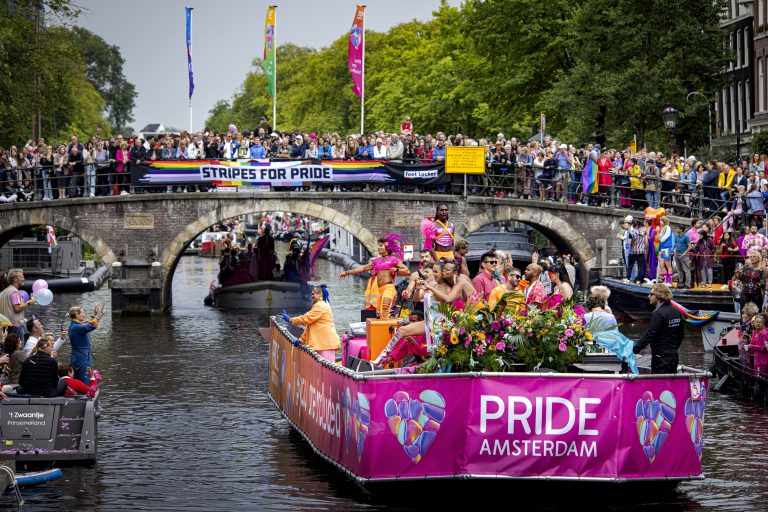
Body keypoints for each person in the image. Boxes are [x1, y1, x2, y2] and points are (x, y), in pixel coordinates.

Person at [339, 233, 409, 320]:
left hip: (389, 288)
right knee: (381, 314)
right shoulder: (377, 261)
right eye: (378, 246)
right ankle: (384, 331)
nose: (378, 248)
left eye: (381, 246)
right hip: (380, 290)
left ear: (387, 248)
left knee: (384, 308)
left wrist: (397, 270)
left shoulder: (394, 260)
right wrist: (347, 272)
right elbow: (363, 268)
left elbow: (407, 271)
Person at [633, 283, 684, 374]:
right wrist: (673, 349)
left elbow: (649, 334)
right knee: (670, 384)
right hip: (673, 356)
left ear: (659, 295)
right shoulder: (677, 312)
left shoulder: (658, 313)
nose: (648, 296)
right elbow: (681, 334)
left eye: (651, 294)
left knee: (658, 385)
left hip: (660, 357)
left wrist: (634, 349)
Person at [284, 285, 340, 363]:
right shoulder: (320, 305)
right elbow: (309, 326)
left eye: (313, 294)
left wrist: (290, 320)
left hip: (326, 345)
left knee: (327, 370)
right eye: (311, 294)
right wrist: (301, 340)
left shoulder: (320, 306)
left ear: (320, 294)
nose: (312, 296)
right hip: (322, 345)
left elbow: (306, 318)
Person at [68, 304, 105, 385]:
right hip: (82, 357)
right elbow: (90, 326)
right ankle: (85, 396)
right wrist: (100, 315)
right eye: (83, 313)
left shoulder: (74, 325)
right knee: (85, 380)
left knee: (78, 379)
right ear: (77, 315)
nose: (84, 314)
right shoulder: (76, 327)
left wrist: (93, 315)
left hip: (77, 356)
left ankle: (78, 393)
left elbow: (86, 325)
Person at [0, 268, 35, 340]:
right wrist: (29, 303)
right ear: (15, 280)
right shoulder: (14, 292)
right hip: (15, 327)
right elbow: (17, 308)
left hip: (5, 326)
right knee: (18, 350)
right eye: (21, 277)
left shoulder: (4, 292)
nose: (24, 279)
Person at [657, 216, 675, 285]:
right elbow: (659, 238)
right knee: (661, 265)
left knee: (668, 265)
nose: (660, 222)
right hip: (662, 249)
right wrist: (658, 232)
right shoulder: (663, 229)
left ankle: (669, 281)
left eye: (661, 221)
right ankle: (665, 280)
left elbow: (662, 239)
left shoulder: (668, 228)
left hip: (667, 249)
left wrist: (660, 237)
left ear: (664, 221)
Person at [673, 224, 692, 289]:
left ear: (681, 229)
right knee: (679, 270)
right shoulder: (677, 236)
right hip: (677, 255)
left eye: (678, 228)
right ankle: (681, 282)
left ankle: (688, 284)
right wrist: (674, 251)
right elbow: (676, 244)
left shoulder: (686, 236)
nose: (676, 229)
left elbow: (689, 246)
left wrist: (684, 254)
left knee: (686, 270)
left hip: (684, 256)